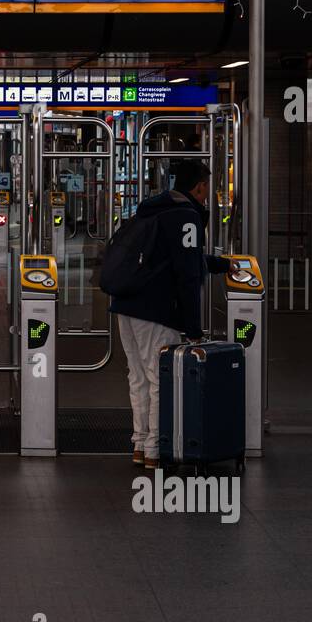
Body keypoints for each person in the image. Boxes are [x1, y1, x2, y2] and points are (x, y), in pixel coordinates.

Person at [111, 159, 230, 469]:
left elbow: (175, 255)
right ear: (200, 186)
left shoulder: (153, 209)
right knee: (158, 377)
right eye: (208, 188)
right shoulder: (187, 216)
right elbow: (187, 274)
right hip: (156, 309)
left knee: (138, 376)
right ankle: (155, 451)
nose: (209, 195)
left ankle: (139, 444)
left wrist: (222, 264)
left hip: (126, 303)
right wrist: (193, 328)